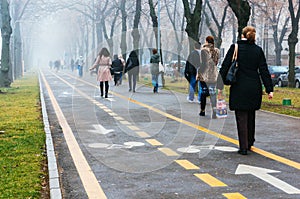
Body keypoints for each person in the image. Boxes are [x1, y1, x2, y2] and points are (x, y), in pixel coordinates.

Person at [218, 26, 273, 155]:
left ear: (242, 35)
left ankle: (243, 147)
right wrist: (269, 89)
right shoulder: (258, 50)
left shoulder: (235, 48)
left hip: (239, 86)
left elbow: (225, 66)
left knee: (241, 116)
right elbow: (264, 70)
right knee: (251, 114)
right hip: (254, 87)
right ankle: (250, 142)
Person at [197, 36, 220, 118]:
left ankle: (202, 110)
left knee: (203, 93)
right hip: (213, 75)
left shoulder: (203, 50)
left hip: (205, 74)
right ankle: (214, 112)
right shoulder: (217, 51)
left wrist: (199, 72)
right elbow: (216, 62)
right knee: (213, 94)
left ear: (206, 41)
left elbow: (203, 63)